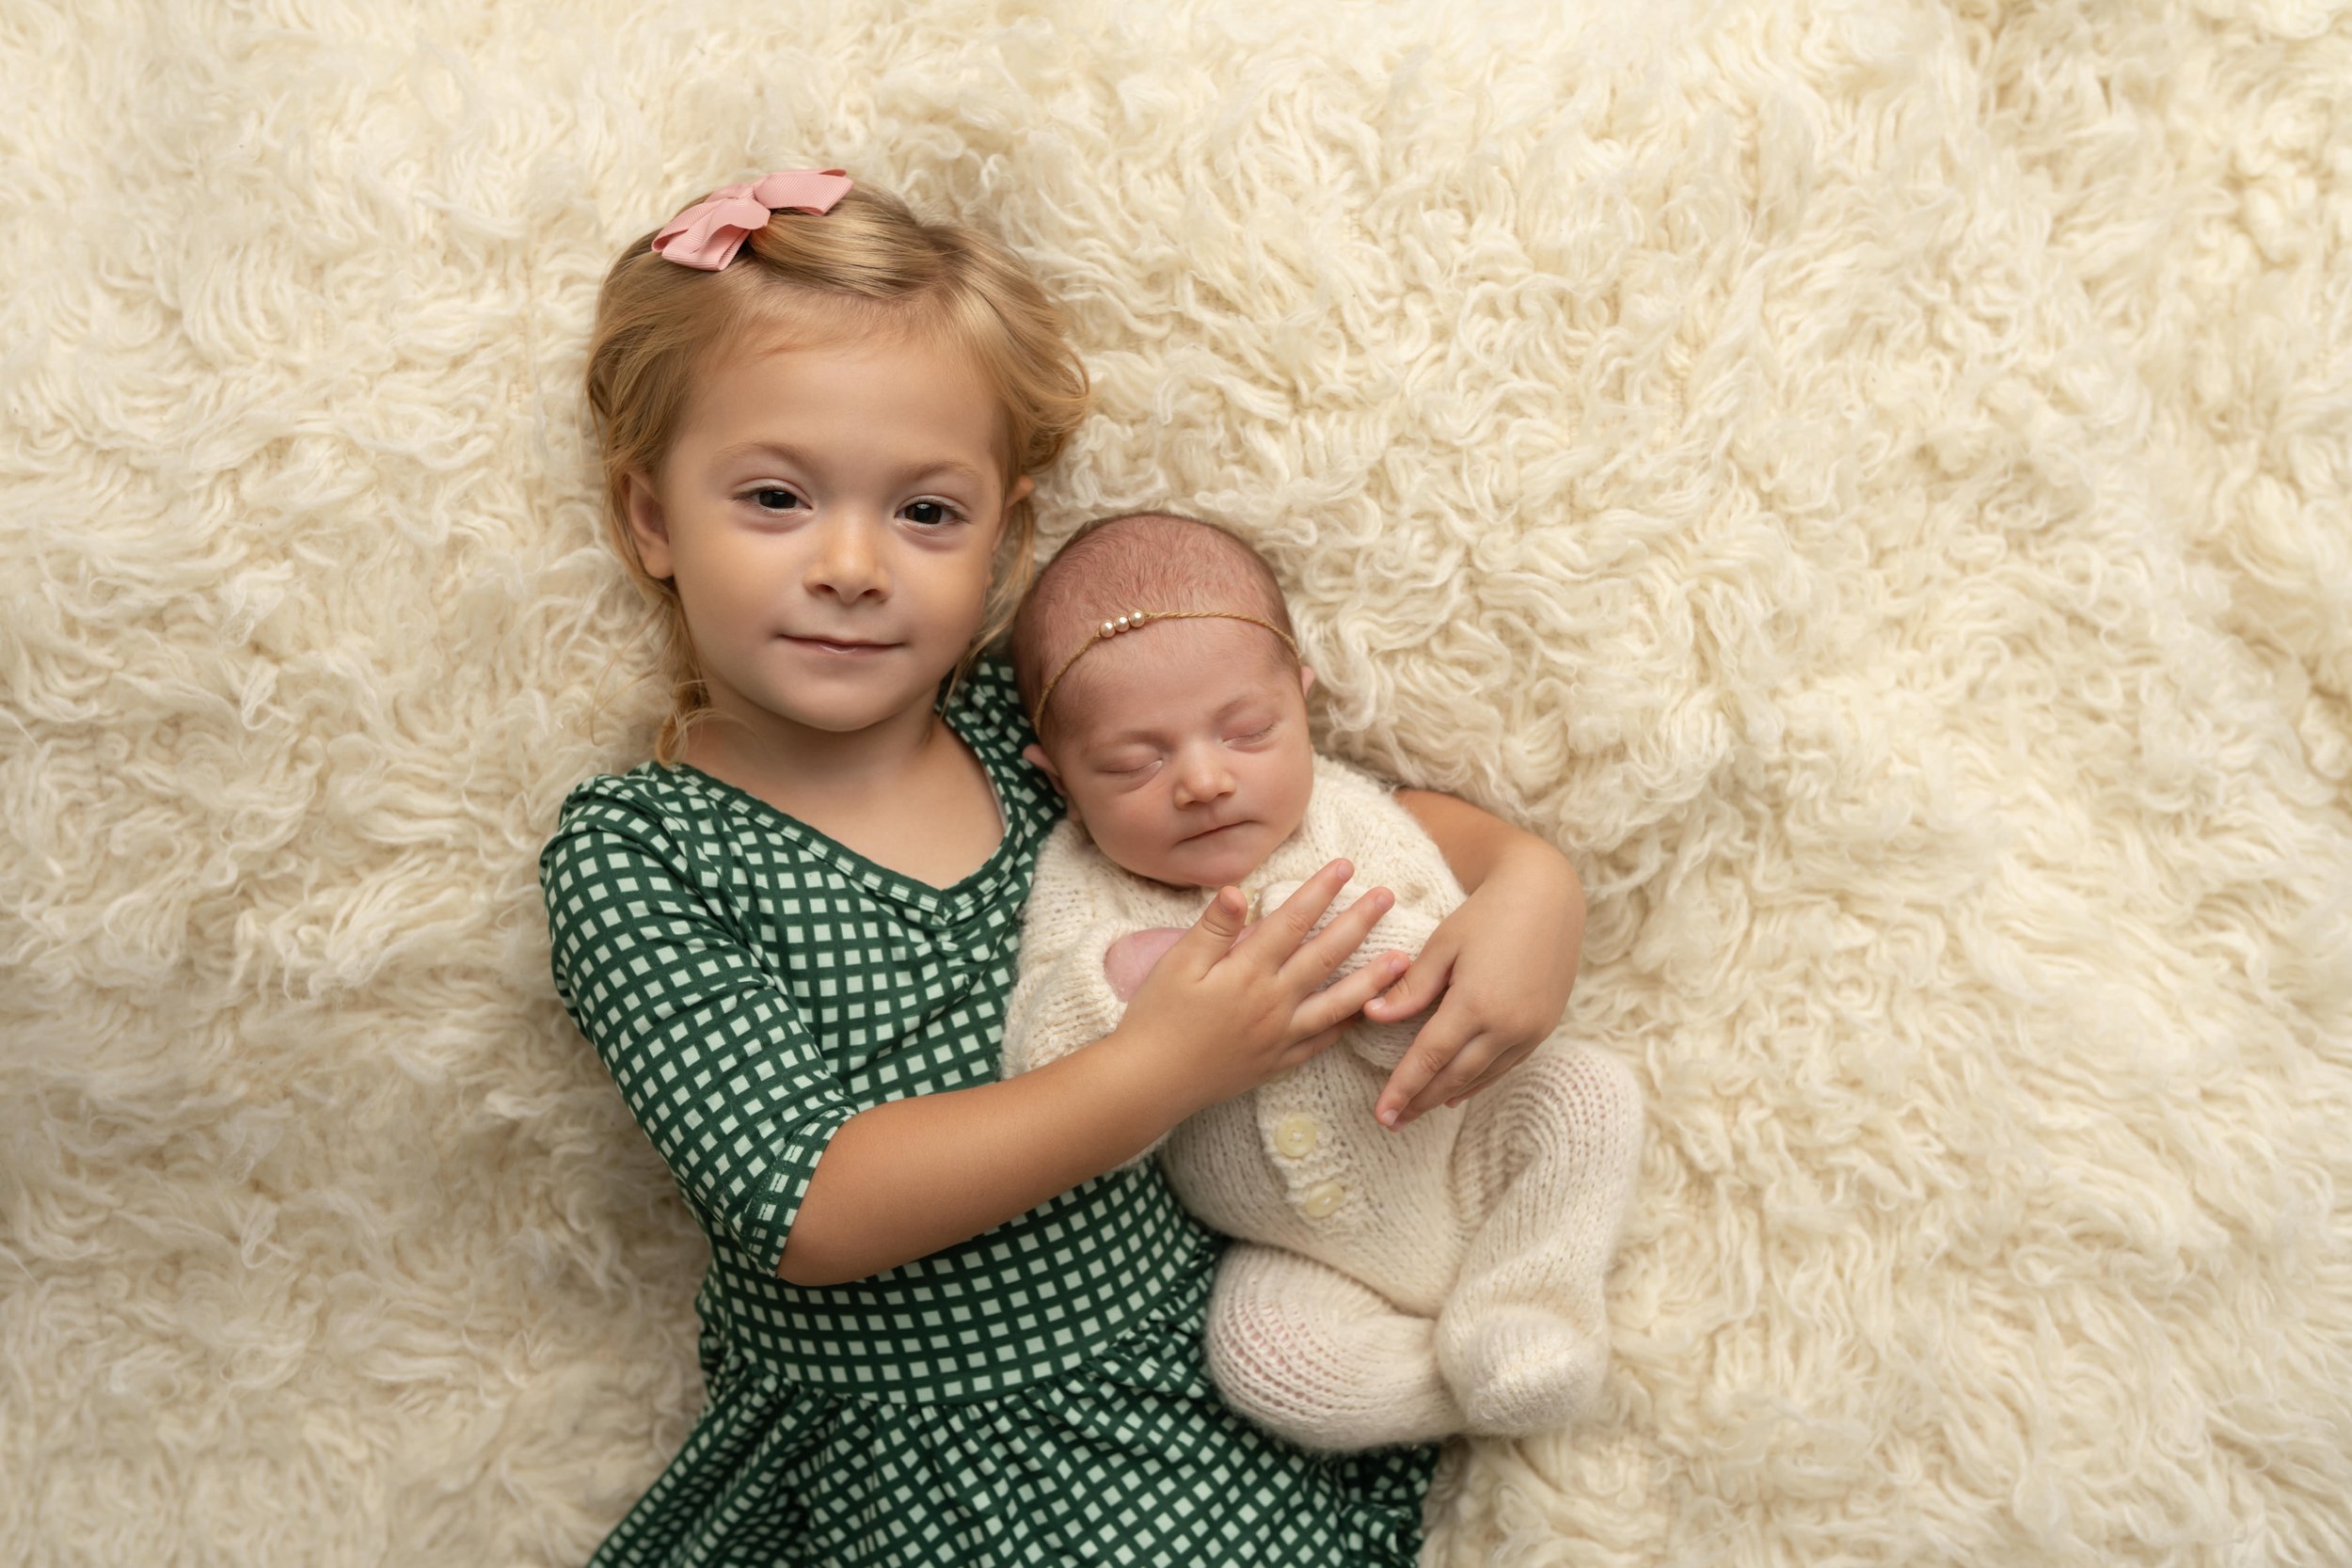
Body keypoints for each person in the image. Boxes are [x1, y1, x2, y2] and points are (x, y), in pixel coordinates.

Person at [535, 167, 1590, 1567]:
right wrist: (1157, 1067)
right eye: (778, 497)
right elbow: (806, 1201)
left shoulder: (1035, 734)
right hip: (888, 1464)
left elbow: (1337, 814)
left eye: (926, 513)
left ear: (1006, 538)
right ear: (652, 519)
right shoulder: (643, 851)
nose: (855, 564)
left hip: (1175, 1397)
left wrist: (1530, 888)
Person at [999, 511, 1644, 1456]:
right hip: (1300, 1252)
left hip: (1462, 1141)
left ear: (1301, 705)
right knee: (1266, 1364)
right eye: (1134, 761)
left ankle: (1525, 1303)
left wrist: (1365, 961)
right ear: (1058, 780)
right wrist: (1125, 980)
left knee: (1587, 1098)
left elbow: (1455, 973)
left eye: (1248, 729)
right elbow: (1041, 1058)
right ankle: (1466, 1380)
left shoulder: (1356, 821)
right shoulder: (1085, 886)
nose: (1204, 779)